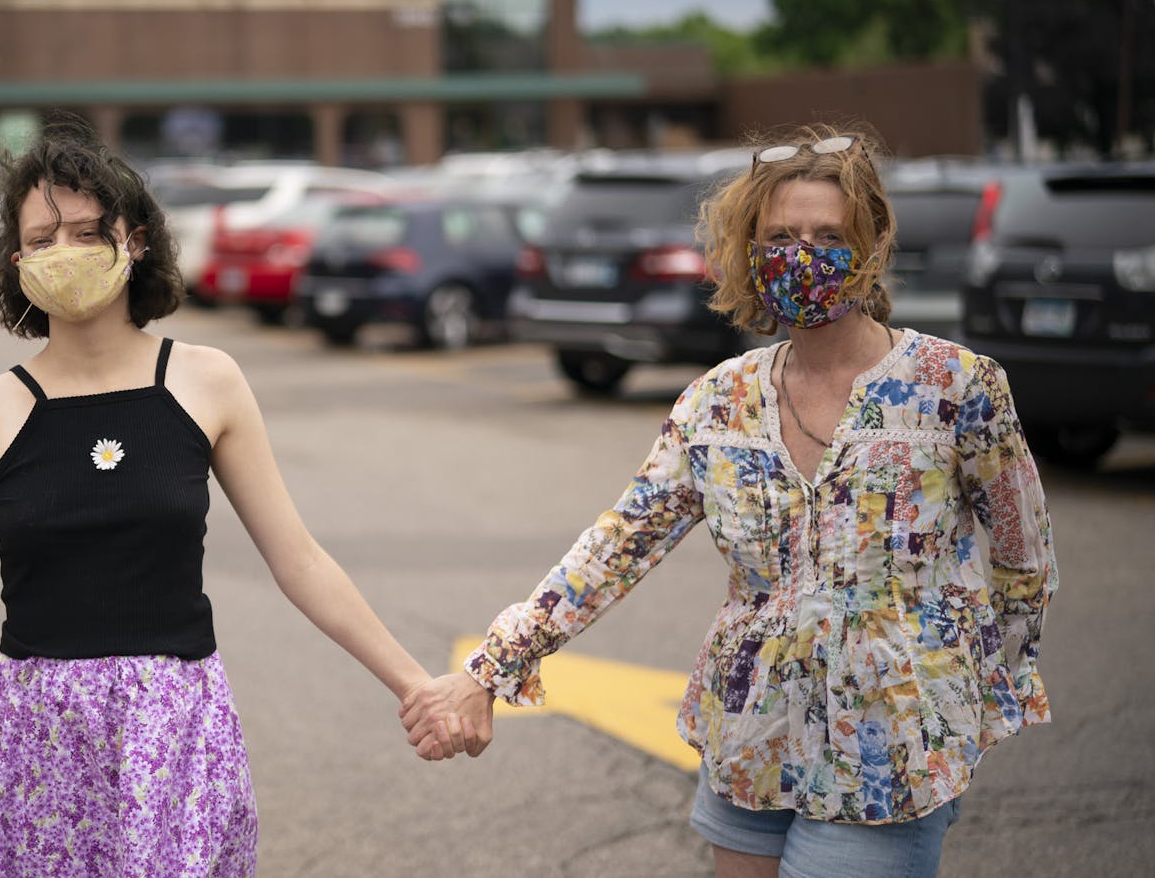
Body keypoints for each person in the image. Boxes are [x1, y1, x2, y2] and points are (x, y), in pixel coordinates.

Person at [401, 123, 1057, 878]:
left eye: (826, 234)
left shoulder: (956, 388)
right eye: (780, 236)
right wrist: (491, 669)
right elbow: (617, 545)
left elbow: (1023, 557)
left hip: (892, 750)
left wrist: (968, 694)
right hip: (750, 735)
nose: (801, 254)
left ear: (872, 247)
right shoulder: (719, 402)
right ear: (750, 250)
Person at [0, 116, 439, 878]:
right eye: (41, 239)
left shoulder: (207, 381)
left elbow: (298, 558)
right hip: (37, 743)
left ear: (133, 239)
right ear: (16, 261)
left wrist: (416, 684)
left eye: (83, 231)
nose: (62, 252)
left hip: (177, 735)